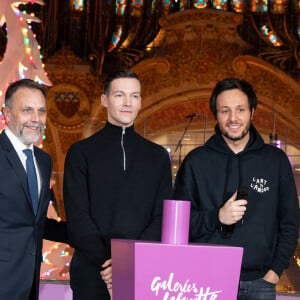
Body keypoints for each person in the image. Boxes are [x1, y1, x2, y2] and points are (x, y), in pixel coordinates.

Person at [173, 78, 299, 300]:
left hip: (260, 282)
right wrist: (217, 217)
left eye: (240, 109)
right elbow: (179, 224)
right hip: (206, 279)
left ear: (252, 111)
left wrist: (275, 271)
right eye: (225, 111)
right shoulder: (196, 162)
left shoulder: (275, 161)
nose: (233, 118)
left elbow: (290, 222)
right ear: (216, 115)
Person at [63, 69, 172, 299]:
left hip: (142, 270)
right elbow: (77, 217)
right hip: (92, 272)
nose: (127, 102)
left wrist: (130, 261)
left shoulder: (158, 156)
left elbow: (162, 216)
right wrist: (110, 265)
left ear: (140, 101)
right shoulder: (81, 152)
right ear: (104, 99)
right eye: (120, 95)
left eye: (134, 96)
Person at [0, 79, 67, 300]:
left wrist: (85, 236)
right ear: (7, 114)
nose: (36, 119)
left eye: (41, 111)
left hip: (30, 283)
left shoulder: (43, 160)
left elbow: (34, 222)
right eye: (27, 110)